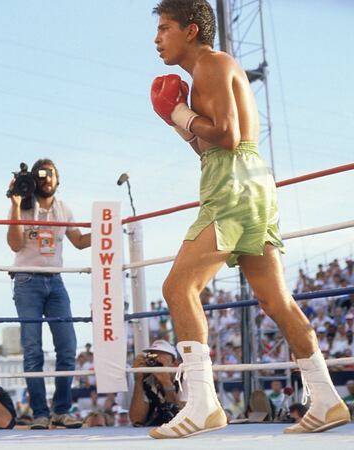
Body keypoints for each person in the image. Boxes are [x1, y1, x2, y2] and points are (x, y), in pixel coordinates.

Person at [149, 0, 349, 438]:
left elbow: (227, 134)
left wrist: (181, 113)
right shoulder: (209, 70)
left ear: (191, 31)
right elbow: (211, 144)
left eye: (165, 28)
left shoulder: (211, 63)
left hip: (234, 188)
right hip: (249, 181)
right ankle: (328, 399)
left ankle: (202, 404)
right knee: (276, 301)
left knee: (178, 286)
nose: (157, 38)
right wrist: (179, 124)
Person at [6, 158, 91, 429]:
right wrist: (16, 204)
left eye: (50, 174)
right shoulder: (23, 205)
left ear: (58, 178)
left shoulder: (63, 208)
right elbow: (14, 244)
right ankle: (40, 413)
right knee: (33, 350)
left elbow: (78, 241)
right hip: (26, 280)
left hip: (55, 281)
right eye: (40, 174)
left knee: (67, 347)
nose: (46, 178)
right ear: (32, 177)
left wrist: (107, 230)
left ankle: (61, 411)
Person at [129, 340, 181, 426]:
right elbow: (136, 420)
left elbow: (181, 417)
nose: (155, 359)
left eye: (160, 355)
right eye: (151, 356)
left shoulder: (184, 379)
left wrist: (167, 384)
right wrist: (138, 380)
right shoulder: (147, 381)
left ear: (174, 364)